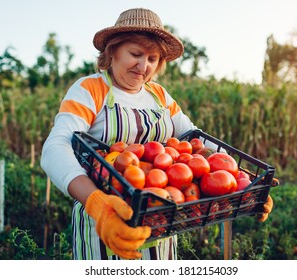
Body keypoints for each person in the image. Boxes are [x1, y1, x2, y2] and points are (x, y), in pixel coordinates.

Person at [41, 7, 273, 260]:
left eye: (152, 59)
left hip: (162, 217)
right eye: (135, 54)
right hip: (109, 220)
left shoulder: (159, 96)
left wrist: (242, 180)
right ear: (113, 51)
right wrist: (97, 203)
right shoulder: (90, 89)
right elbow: (56, 147)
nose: (143, 66)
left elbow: (196, 139)